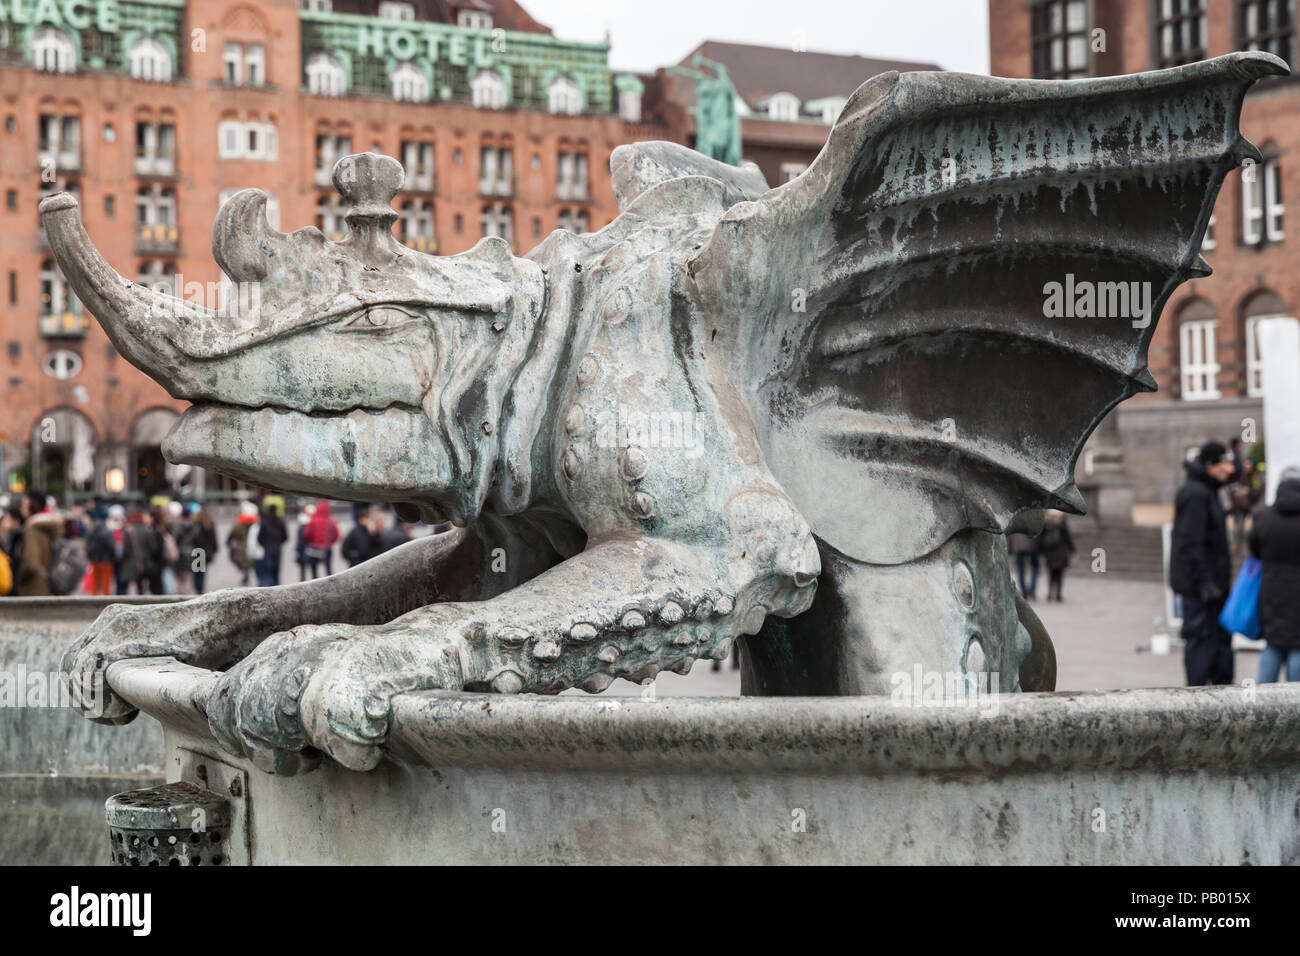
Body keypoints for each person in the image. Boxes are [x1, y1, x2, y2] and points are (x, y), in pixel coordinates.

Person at [1171, 442, 1236, 686]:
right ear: (1211, 466)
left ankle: (1219, 703)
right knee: (1201, 644)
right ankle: (1198, 707)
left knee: (1218, 646)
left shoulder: (1207, 489)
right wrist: (1205, 583)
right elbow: (1191, 544)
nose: (1229, 469)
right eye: (1225, 463)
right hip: (1201, 589)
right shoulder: (1196, 493)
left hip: (1212, 587)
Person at [1249, 465, 1300, 682]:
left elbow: (1255, 551)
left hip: (1272, 587)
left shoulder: (1263, 515)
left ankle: (1261, 702)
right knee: (1298, 646)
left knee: (1273, 643)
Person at [16, 491, 65, 596]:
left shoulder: (32, 531)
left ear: (32, 507)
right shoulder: (44, 527)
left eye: (24, 506)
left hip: (33, 589)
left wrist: (19, 577)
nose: (21, 509)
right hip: (46, 585)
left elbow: (31, 563)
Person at [119, 508, 164, 595]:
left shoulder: (129, 531)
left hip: (133, 564)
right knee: (148, 586)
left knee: (136, 587)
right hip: (148, 563)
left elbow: (125, 549)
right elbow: (154, 548)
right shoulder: (148, 530)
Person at [1039, 511, 1075, 601]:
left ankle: (1050, 594)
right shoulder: (1062, 526)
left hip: (1050, 554)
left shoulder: (1047, 526)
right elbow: (1068, 539)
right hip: (1060, 553)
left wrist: (1041, 552)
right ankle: (1058, 595)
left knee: (1051, 575)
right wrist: (1073, 550)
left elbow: (1041, 539)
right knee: (1059, 575)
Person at [85, 505, 118, 596]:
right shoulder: (107, 531)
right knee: (106, 582)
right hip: (106, 560)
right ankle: (106, 600)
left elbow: (87, 546)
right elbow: (111, 546)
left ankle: (94, 598)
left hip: (94, 560)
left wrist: (90, 556)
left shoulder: (91, 531)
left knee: (95, 581)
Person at [302, 500, 340, 578]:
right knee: (328, 570)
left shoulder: (313, 520)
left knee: (314, 571)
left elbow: (306, 534)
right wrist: (330, 543)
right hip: (327, 548)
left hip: (314, 548)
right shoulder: (331, 521)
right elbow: (336, 535)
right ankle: (331, 586)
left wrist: (312, 542)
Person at [254, 502, 288, 587]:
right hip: (277, 549)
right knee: (276, 570)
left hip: (268, 549)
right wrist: (279, 543)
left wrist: (264, 545)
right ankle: (276, 586)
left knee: (268, 570)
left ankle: (270, 587)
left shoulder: (265, 522)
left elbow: (259, 537)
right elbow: (285, 536)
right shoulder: (280, 521)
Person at [227, 500, 259, 586]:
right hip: (248, 549)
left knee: (245, 564)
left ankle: (246, 577)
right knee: (249, 564)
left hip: (243, 550)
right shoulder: (255, 525)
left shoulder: (239, 526)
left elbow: (231, 537)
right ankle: (248, 577)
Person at [191, 507, 219, 594]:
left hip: (197, 551)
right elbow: (214, 539)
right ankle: (200, 587)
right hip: (206, 552)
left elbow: (193, 539)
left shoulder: (196, 524)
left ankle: (197, 587)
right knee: (202, 571)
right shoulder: (209, 524)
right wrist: (214, 549)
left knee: (196, 571)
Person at [1007, 531, 1040, 600]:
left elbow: (1010, 533)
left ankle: (1024, 592)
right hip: (1032, 546)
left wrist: (1009, 548)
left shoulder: (1014, 520)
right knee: (1035, 568)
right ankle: (1031, 589)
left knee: (1020, 570)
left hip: (1018, 547)